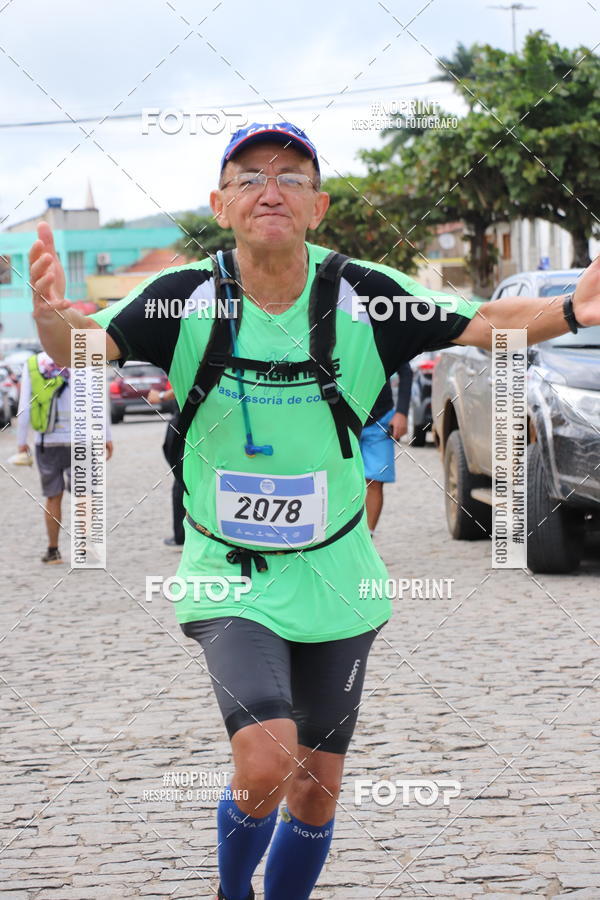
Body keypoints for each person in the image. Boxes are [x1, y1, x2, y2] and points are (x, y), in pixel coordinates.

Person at [29, 121, 600, 900]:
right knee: (266, 763)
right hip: (228, 574)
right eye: (250, 177)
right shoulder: (185, 297)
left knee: (316, 789)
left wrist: (574, 309)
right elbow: (82, 347)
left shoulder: (366, 294)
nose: (271, 190)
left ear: (318, 205)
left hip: (339, 575)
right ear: (220, 204)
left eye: (292, 177)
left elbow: (484, 324)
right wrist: (48, 319)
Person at [16, 351, 113, 563]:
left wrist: (21, 442)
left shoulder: (33, 363)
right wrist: (106, 436)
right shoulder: (86, 359)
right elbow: (98, 401)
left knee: (53, 496)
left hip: (47, 441)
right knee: (83, 495)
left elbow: (25, 406)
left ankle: (53, 551)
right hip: (82, 440)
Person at [360, 363, 412, 536]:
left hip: (379, 419)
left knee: (374, 482)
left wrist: (402, 412)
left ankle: (368, 541)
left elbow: (406, 371)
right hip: (341, 418)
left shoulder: (385, 334)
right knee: (339, 482)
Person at [147, 386, 185, 547]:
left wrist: (162, 396)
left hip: (185, 421)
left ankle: (181, 536)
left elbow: (191, 380)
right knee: (184, 479)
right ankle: (183, 534)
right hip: (187, 420)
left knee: (182, 481)